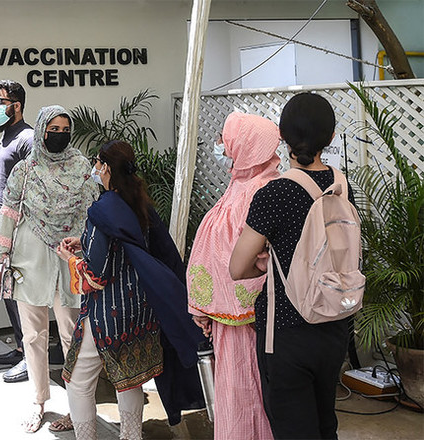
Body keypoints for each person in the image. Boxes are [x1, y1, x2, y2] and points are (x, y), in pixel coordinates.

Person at [56, 140, 206, 440]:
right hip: (141, 309)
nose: (95, 168)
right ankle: (131, 436)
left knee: (78, 381)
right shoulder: (140, 204)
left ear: (106, 168)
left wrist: (70, 259)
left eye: (97, 162)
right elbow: (132, 247)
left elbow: (96, 275)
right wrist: (85, 242)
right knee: (130, 379)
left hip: (106, 315)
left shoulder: (102, 210)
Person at [230, 93, 353, 439]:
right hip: (334, 326)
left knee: (293, 430)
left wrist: (266, 266)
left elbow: (237, 268)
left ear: (282, 136)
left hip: (286, 333)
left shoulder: (274, 194)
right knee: (325, 425)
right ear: (330, 137)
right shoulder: (343, 187)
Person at [0, 105, 99, 433]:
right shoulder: (25, 170)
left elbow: (93, 211)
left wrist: (91, 251)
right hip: (30, 261)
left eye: (65, 130)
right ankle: (38, 401)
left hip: (70, 260)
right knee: (33, 335)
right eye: (53, 129)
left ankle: (78, 407)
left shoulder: (81, 167)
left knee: (72, 334)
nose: (60, 135)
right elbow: (8, 212)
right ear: (41, 131)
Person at [187, 112, 278, 440]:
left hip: (248, 315)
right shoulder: (242, 185)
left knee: (246, 391)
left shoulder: (259, 190)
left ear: (245, 146)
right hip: (230, 313)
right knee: (240, 390)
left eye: (226, 140)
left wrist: (205, 303)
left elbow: (246, 256)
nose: (220, 147)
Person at [0, 80, 33, 383]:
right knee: (4, 288)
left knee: (17, 292)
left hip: (14, 229)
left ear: (17, 106)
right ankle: (20, 346)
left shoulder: (27, 138)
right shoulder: (5, 137)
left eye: (0, 102)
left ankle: (31, 357)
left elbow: (33, 186)